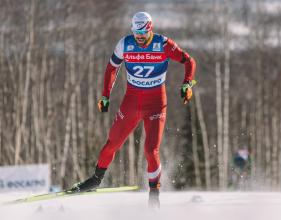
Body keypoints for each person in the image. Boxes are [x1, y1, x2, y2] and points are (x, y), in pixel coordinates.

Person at [70, 12, 196, 208]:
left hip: (156, 103)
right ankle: (95, 179)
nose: (139, 38)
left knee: (150, 149)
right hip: (132, 101)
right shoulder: (125, 44)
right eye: (136, 33)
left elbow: (189, 61)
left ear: (149, 29)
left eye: (142, 34)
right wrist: (105, 95)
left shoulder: (163, 44)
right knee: (112, 143)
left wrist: (187, 84)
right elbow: (111, 68)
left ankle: (154, 194)